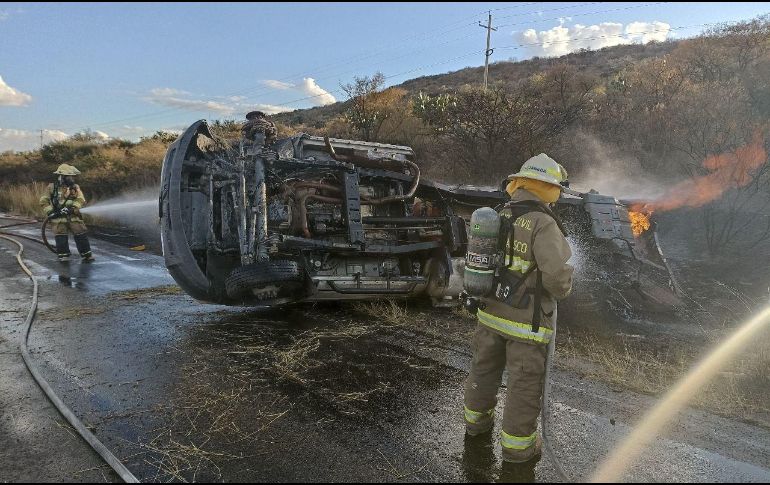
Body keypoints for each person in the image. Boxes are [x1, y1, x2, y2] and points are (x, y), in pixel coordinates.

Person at [463, 153, 573, 464]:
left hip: (489, 313)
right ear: (548, 188)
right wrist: (566, 288)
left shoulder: (498, 214)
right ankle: (517, 450)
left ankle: (475, 425)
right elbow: (556, 277)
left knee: (483, 370)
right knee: (523, 385)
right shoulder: (543, 223)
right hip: (526, 324)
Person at [40, 163, 94, 262]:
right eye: (69, 176)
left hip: (73, 216)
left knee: (81, 235)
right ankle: (64, 256)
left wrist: (73, 208)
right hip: (58, 218)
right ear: (62, 176)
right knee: (61, 237)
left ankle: (87, 255)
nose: (71, 179)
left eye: (72, 176)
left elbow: (81, 199)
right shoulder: (52, 187)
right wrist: (51, 212)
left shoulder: (75, 187)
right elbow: (43, 201)